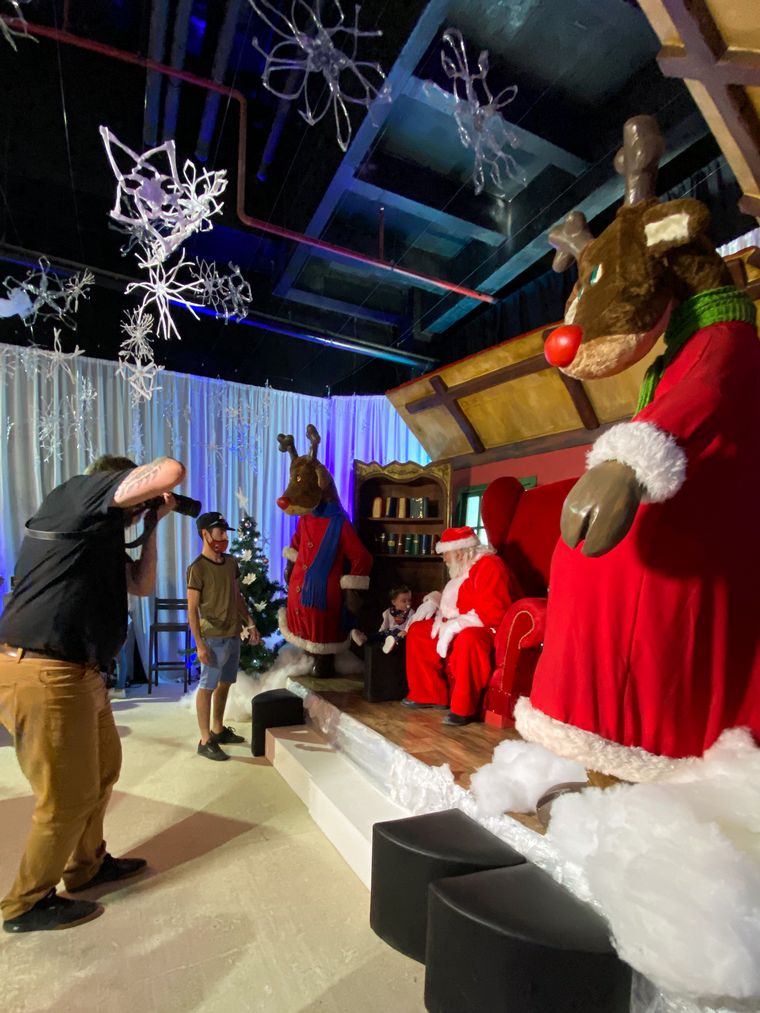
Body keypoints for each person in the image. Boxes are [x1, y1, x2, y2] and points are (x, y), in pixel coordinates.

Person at [0, 453, 186, 933]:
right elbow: (170, 471)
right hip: (45, 670)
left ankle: (87, 866)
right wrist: (149, 492)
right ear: (115, 484)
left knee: (103, 772)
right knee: (66, 795)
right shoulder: (77, 496)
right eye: (134, 501)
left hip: (81, 672)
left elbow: (141, 584)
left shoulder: (97, 535)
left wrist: (153, 524)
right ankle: (26, 903)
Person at [403, 526, 517, 726]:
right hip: (461, 621)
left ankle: (463, 709)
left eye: (445, 553)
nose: (444, 558)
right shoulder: (464, 566)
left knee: (468, 640)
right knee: (419, 631)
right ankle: (428, 694)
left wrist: (457, 625)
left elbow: (494, 613)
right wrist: (435, 600)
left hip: (488, 627)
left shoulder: (490, 566)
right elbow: (458, 597)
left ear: (459, 552)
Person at [187, 511, 260, 761]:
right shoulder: (197, 568)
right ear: (205, 534)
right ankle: (204, 740)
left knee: (225, 682)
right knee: (207, 686)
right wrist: (199, 644)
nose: (224, 538)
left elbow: (236, 595)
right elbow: (192, 609)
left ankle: (217, 730)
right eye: (219, 532)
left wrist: (249, 622)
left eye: (225, 533)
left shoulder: (230, 563)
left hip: (232, 634)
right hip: (212, 638)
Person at [351, 585, 414, 654]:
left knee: (400, 638)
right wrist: (379, 633)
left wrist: (406, 631)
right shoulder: (388, 612)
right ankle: (364, 638)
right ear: (394, 602)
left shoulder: (411, 612)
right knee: (381, 634)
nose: (408, 603)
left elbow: (412, 624)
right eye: (404, 601)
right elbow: (385, 625)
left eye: (409, 600)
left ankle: (390, 644)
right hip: (389, 632)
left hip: (400, 634)